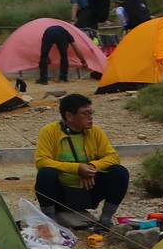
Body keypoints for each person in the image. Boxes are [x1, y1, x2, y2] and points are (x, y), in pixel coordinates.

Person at [33, 94, 127, 225]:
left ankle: (105, 219)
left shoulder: (94, 131)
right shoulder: (49, 131)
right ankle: (49, 221)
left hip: (88, 190)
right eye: (86, 113)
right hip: (62, 193)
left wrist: (92, 166)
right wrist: (77, 169)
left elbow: (113, 157)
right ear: (69, 116)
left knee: (119, 172)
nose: (91, 117)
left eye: (91, 112)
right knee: (45, 174)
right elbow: (41, 161)